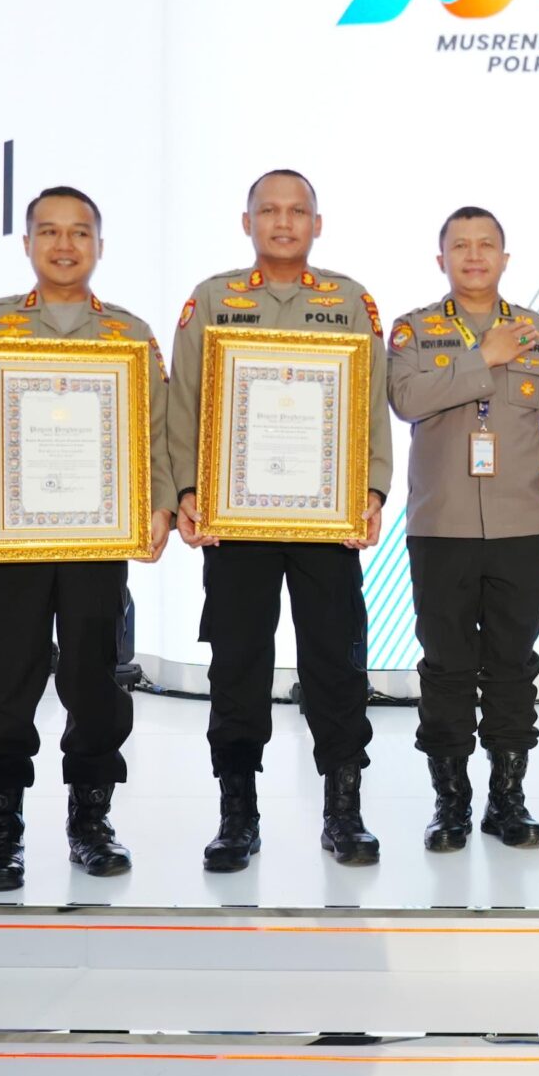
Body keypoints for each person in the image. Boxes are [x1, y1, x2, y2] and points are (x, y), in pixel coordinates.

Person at [0, 187, 175, 891]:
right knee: (9, 677)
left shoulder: (128, 334)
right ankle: (0, 830)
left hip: (98, 540)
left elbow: (156, 430)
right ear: (27, 243)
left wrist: (161, 504)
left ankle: (90, 820)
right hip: (15, 541)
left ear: (99, 245)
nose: (64, 245)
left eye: (79, 232)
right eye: (49, 231)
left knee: (94, 679)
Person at [170, 169, 391, 871]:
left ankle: (343, 810)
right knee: (238, 662)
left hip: (326, 519)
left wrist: (372, 491)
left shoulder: (349, 301)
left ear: (317, 224)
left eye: (298, 211)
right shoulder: (213, 300)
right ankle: (237, 813)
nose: (284, 222)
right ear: (248, 223)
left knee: (336, 662)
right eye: (269, 210)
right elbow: (184, 404)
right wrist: (187, 490)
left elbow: (370, 405)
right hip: (236, 520)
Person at [386, 206, 539, 851]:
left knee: (512, 666)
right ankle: (450, 802)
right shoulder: (414, 330)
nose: (474, 256)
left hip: (519, 525)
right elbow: (405, 400)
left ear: (505, 258)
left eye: (486, 245)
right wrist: (481, 359)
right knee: (445, 666)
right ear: (440, 258)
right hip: (440, 525)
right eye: (461, 246)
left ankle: (507, 799)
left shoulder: (538, 332)